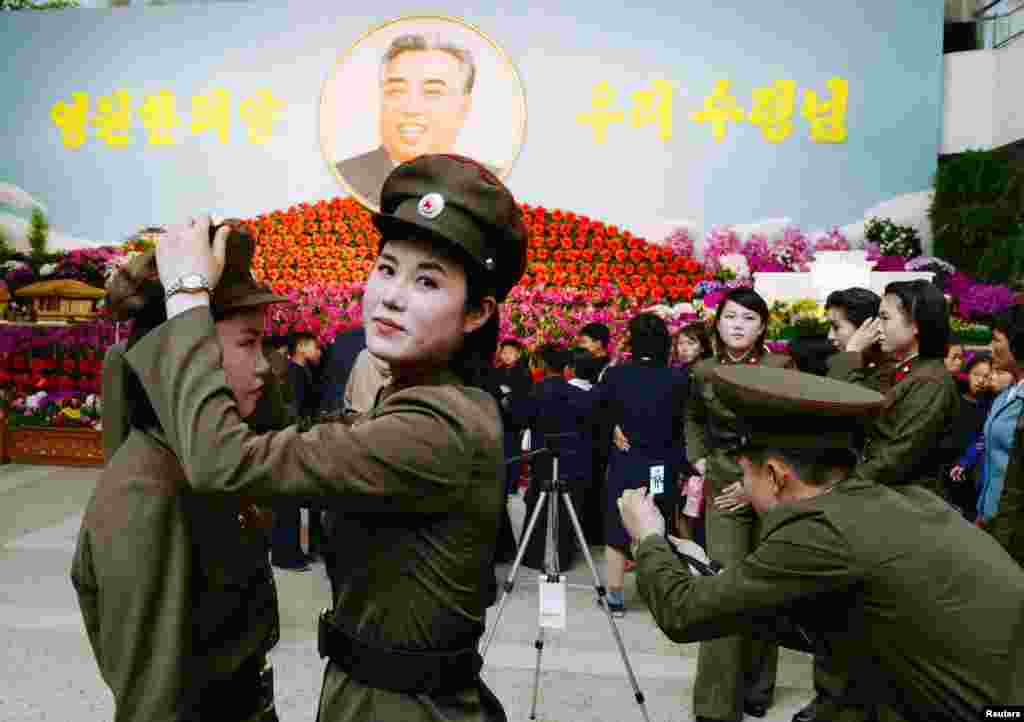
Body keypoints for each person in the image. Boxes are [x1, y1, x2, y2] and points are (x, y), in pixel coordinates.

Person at [121, 154, 526, 722]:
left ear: (478, 312)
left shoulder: (435, 426)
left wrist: (188, 297)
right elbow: (301, 435)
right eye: (386, 268)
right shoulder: (420, 397)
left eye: (427, 281)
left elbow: (224, 462)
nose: (392, 295)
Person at [619, 364, 1024, 722]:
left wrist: (649, 537)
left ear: (777, 475)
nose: (742, 486)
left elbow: (684, 614)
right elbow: (820, 610)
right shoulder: (893, 499)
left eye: (745, 475)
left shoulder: (819, 530)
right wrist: (712, 573)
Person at [71, 222, 289, 722]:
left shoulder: (194, 459)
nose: (264, 367)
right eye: (247, 344)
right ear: (186, 351)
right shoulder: (151, 494)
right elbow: (153, 702)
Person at [686, 287, 792, 722]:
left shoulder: (781, 366)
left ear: (763, 326)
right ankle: (716, 704)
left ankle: (757, 687)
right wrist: (698, 458)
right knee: (725, 586)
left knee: (767, 587)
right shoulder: (704, 370)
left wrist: (761, 484)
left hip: (773, 489)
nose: (738, 325)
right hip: (724, 487)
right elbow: (692, 417)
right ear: (718, 322)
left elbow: (795, 429)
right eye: (730, 316)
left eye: (749, 318)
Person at [832, 281, 960, 497]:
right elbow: (845, 403)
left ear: (916, 324)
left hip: (906, 501)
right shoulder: (894, 368)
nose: (877, 327)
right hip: (878, 491)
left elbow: (897, 457)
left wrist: (842, 486)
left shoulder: (931, 381)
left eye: (885, 318)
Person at [598, 312, 689, 617]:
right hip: (660, 467)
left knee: (617, 523)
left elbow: (601, 416)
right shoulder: (678, 378)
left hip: (626, 461)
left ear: (632, 342)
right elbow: (681, 427)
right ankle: (657, 595)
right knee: (656, 522)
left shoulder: (615, 375)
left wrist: (613, 428)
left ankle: (614, 595)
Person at [336, 34, 492, 208]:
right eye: (396, 91)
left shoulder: (490, 187)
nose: (411, 107)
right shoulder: (346, 178)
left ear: (464, 106)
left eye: (432, 92)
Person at [505, 343, 598, 571]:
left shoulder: (533, 393)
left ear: (542, 365)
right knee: (567, 510)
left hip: (542, 458)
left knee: (537, 503)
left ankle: (534, 556)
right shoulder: (580, 396)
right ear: (567, 367)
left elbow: (519, 420)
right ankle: (562, 556)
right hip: (572, 460)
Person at [978, 305, 1024, 564]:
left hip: (1014, 527)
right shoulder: (1007, 394)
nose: (990, 347)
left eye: (996, 340)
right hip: (991, 517)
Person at [944, 353, 994, 517]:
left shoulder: (990, 407)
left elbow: (983, 440)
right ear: (967, 374)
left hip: (970, 472)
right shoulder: (953, 398)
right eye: (976, 374)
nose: (981, 381)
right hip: (945, 468)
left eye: (986, 376)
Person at [318, 325, 367, 416]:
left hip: (335, 403)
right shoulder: (375, 341)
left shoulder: (338, 338)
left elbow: (326, 375)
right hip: (362, 408)